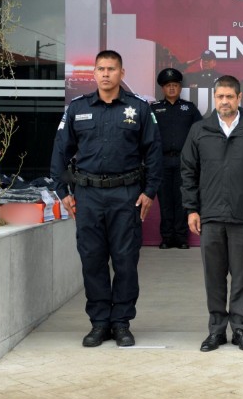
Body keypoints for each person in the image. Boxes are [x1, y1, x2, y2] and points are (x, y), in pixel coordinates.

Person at [51, 49, 162, 348]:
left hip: (126, 195)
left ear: (121, 73)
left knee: (126, 261)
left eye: (111, 69)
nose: (105, 74)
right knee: (93, 260)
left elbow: (153, 153)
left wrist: (149, 192)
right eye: (101, 69)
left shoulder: (138, 109)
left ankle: (121, 322)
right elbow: (60, 152)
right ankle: (99, 322)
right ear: (95, 73)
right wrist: (63, 193)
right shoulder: (77, 109)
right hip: (87, 196)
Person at [180, 76, 243, 352]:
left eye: (229, 97)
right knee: (214, 276)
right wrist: (192, 209)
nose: (224, 101)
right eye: (220, 97)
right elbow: (188, 172)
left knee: (242, 278)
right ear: (214, 99)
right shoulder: (199, 131)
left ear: (239, 98)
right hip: (209, 216)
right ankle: (216, 330)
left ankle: (240, 329)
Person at [151, 68, 202, 249]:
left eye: (175, 85)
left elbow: (200, 133)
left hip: (184, 161)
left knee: (182, 200)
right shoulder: (154, 109)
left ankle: (181, 238)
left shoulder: (189, 108)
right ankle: (166, 238)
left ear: (180, 87)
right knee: (165, 200)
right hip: (161, 161)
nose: (172, 88)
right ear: (162, 88)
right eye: (168, 86)